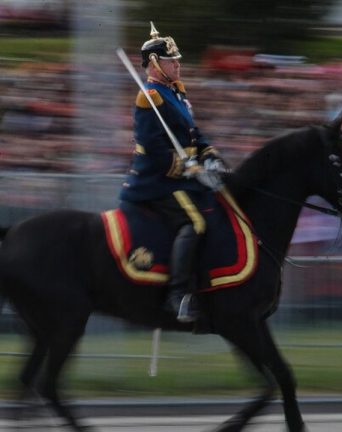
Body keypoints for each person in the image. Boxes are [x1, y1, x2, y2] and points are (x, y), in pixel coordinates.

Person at [119, 22, 228, 322]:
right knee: (193, 223)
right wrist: (188, 169)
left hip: (183, 179)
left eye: (177, 59)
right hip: (157, 182)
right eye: (172, 60)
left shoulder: (176, 94)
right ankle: (178, 295)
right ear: (155, 63)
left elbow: (194, 134)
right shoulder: (150, 98)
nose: (178, 63)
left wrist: (210, 157)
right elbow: (153, 150)